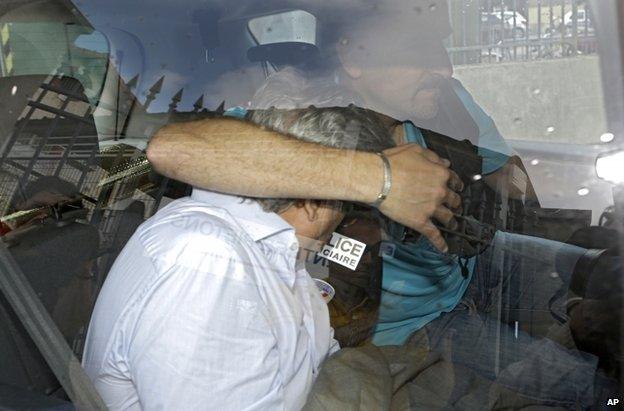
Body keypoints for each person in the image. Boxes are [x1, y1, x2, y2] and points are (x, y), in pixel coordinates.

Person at [145, 0, 617, 406]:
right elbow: (176, 149)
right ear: (355, 59)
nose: (445, 68)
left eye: (444, 50)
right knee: (589, 387)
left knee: (609, 276)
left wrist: (544, 186)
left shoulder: (446, 100)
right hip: (412, 324)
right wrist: (380, 178)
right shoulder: (307, 118)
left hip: (474, 258)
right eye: (419, 52)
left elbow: (510, 176)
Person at [82, 105, 394, 410]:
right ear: (316, 201)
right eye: (350, 208)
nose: (347, 223)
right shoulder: (209, 260)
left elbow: (322, 359)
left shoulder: (275, 251)